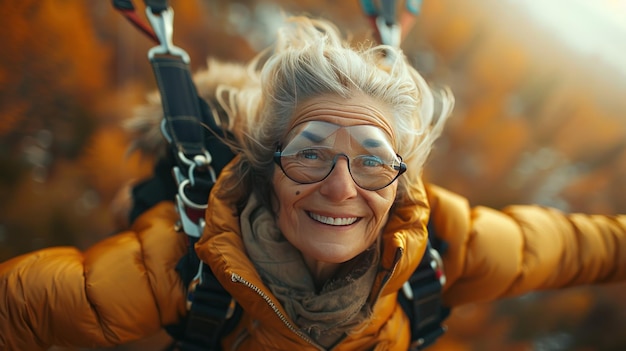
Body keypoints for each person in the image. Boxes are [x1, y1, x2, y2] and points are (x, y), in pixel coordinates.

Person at [1, 15, 626, 351]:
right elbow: (28, 307)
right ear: (267, 161)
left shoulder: (441, 246)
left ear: (402, 180)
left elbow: (576, 246)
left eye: (374, 160)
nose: (340, 187)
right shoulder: (185, 262)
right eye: (310, 154)